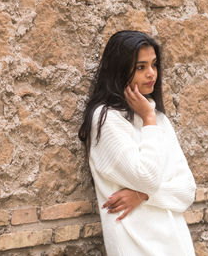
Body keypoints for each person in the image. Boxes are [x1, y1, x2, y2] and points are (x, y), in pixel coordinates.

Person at [78, 30, 197, 256]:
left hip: (177, 246)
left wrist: (142, 195)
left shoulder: (158, 118)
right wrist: (148, 119)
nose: (151, 73)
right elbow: (147, 177)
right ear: (120, 70)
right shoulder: (106, 119)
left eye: (154, 65)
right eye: (140, 67)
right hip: (136, 247)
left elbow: (187, 190)